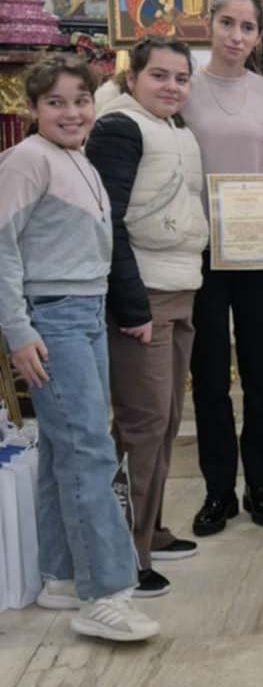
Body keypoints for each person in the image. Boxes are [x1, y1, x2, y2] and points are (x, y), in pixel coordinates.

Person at [0, 55, 159, 641]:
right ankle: (105, 594)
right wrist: (19, 331)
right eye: (55, 103)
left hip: (87, 311)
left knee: (63, 448)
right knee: (90, 450)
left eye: (81, 100)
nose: (71, 112)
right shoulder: (27, 160)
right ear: (32, 108)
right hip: (54, 318)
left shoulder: (79, 159)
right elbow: (2, 247)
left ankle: (62, 574)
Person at [87, 36, 209, 598]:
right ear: (132, 77)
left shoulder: (176, 129)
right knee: (141, 425)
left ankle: (151, 528)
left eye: (181, 78)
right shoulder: (120, 127)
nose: (172, 86)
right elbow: (107, 222)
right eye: (159, 75)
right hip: (144, 299)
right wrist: (131, 305)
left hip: (180, 291)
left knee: (165, 421)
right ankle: (124, 552)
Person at [182, 0, 263, 536]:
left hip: (258, 250)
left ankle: (260, 486)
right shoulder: (185, 87)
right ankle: (217, 491)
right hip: (202, 249)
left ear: (259, 37)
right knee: (208, 376)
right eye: (227, 23)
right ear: (210, 25)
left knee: (259, 374)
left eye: (247, 27)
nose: (235, 35)